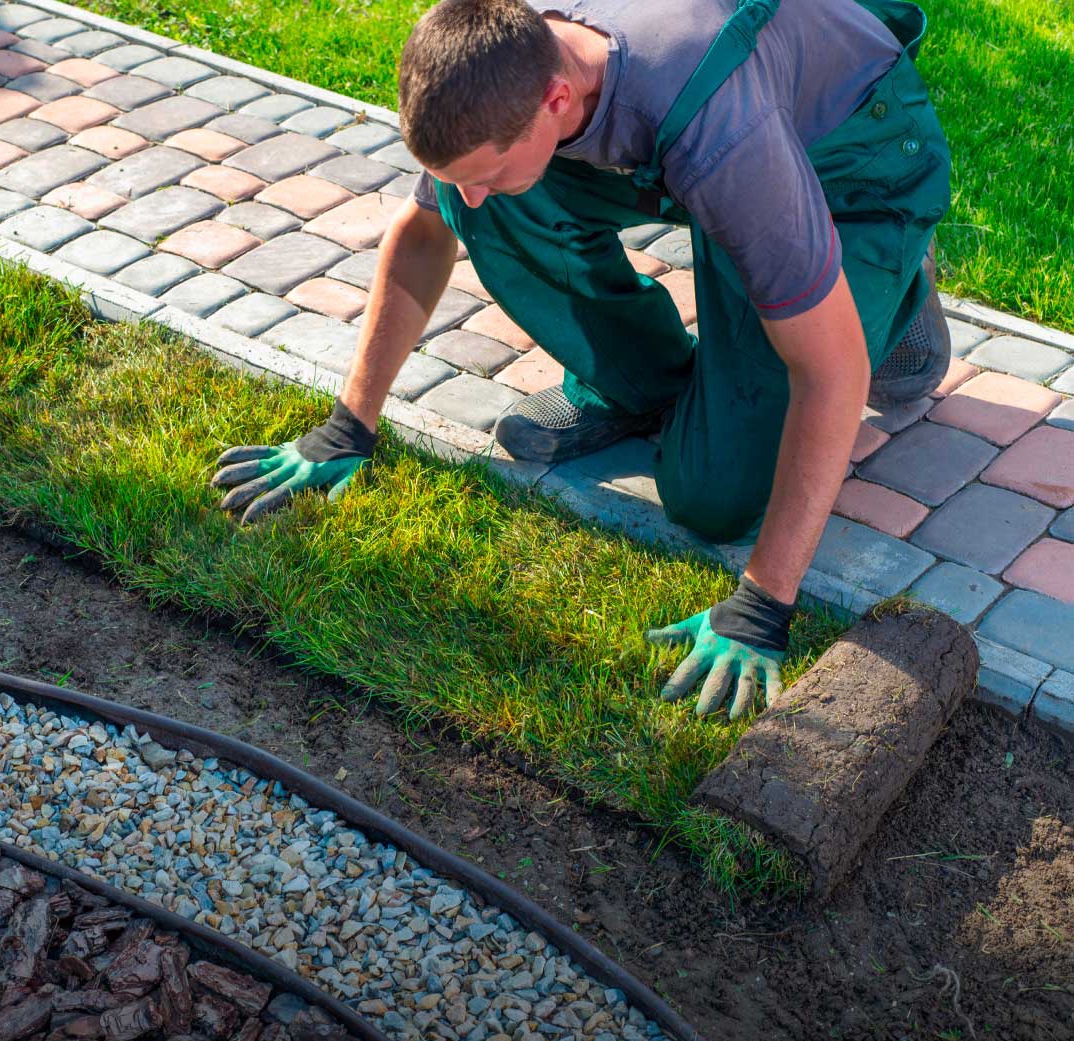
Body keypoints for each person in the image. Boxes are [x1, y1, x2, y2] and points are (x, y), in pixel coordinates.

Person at [210, 0, 951, 720]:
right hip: (715, 148)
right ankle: (646, 383)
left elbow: (831, 374)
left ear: (557, 100)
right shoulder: (508, 54)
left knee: (714, 499)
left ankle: (885, 285)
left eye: (485, 168)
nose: (469, 194)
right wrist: (349, 426)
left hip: (851, 163)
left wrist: (763, 608)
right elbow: (427, 229)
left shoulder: (722, 129)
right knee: (490, 202)